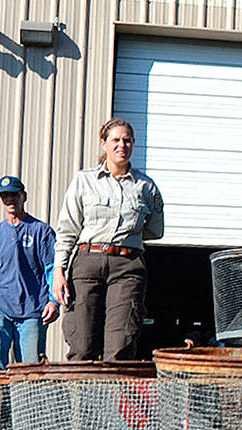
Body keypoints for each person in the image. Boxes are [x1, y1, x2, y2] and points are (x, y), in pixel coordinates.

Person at [51, 118, 164, 361]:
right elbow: (67, 229)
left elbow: (155, 230)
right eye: (115, 139)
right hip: (87, 263)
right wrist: (58, 271)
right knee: (81, 344)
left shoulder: (146, 187)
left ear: (133, 144)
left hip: (127, 267)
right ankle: (81, 399)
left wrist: (126, 237)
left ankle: (114, 399)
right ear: (104, 144)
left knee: (121, 345)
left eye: (127, 140)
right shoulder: (84, 181)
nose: (121, 145)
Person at [0, 175, 60, 368]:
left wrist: (53, 301)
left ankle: (26, 400)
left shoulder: (42, 232)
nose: (10, 199)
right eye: (5, 196)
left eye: (14, 195)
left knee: (31, 370)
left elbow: (53, 269)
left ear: (23, 196)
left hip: (33, 310)